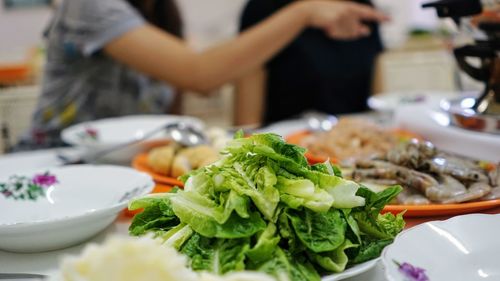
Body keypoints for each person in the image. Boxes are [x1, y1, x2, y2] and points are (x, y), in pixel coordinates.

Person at [19, 0, 387, 149]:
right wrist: (302, 12)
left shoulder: (160, 10)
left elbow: (177, 96)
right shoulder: (89, 5)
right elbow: (199, 75)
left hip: (135, 165)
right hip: (57, 160)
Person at [235, 0, 384, 126]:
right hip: (287, 149)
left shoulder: (362, 8)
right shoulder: (263, 8)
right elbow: (247, 124)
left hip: (356, 145)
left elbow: (377, 101)